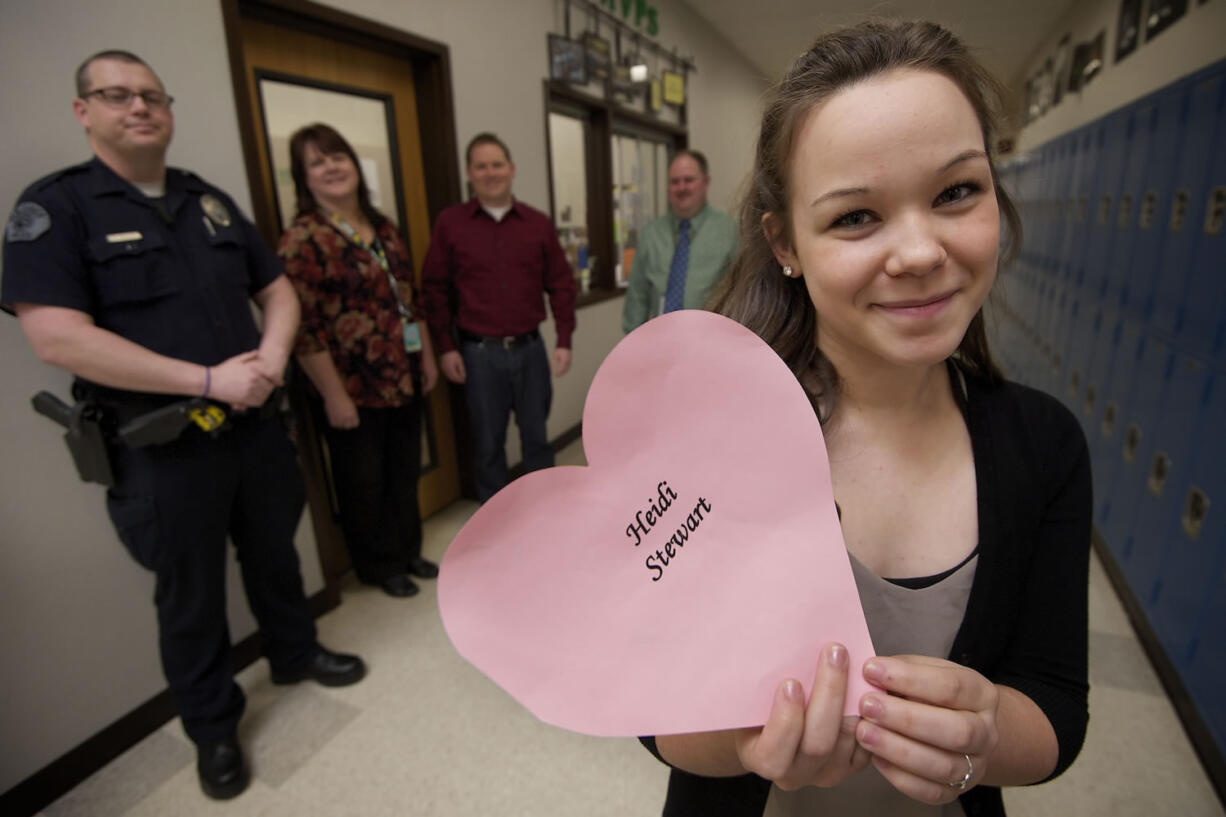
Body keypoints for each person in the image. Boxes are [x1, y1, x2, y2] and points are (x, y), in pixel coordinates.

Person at [639, 20, 1091, 817]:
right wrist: (747, 745)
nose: (918, 252)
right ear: (785, 243)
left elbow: (1054, 702)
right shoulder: (715, 438)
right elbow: (654, 713)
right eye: (855, 217)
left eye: (956, 192)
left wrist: (988, 732)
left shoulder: (1044, 445)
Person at [1, 51, 366, 801]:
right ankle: (212, 727)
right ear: (85, 112)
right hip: (161, 447)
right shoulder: (58, 208)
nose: (139, 107)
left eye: (152, 96)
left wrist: (268, 357)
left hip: (253, 429)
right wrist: (207, 380)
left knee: (275, 553)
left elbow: (278, 289)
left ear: (168, 110)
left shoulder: (211, 203)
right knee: (190, 594)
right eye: (117, 96)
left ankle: (295, 652)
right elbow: (56, 336)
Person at [278, 123, 440, 599]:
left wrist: (425, 356)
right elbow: (303, 329)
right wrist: (332, 394)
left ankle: (409, 549)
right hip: (350, 386)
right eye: (316, 162)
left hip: (402, 375)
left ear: (353, 163)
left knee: (403, 471)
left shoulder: (382, 227)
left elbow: (410, 298)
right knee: (362, 482)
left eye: (337, 156)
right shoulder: (303, 240)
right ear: (303, 178)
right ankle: (379, 565)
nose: (331, 167)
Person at [420, 132, 577, 502]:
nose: (490, 173)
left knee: (537, 440)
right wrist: (445, 348)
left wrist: (564, 340)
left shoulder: (537, 224)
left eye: (497, 164)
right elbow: (433, 290)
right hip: (478, 355)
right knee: (488, 445)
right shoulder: (451, 224)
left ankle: (545, 512)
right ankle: (495, 526)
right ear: (469, 174)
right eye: (481, 166)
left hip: (530, 351)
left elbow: (561, 285)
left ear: (511, 169)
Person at [621, 149, 737, 333]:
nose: (682, 187)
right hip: (661, 344)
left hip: (713, 343)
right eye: (675, 182)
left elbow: (743, 294)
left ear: (706, 182)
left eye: (689, 180)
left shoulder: (730, 232)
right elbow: (637, 299)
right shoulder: (650, 235)